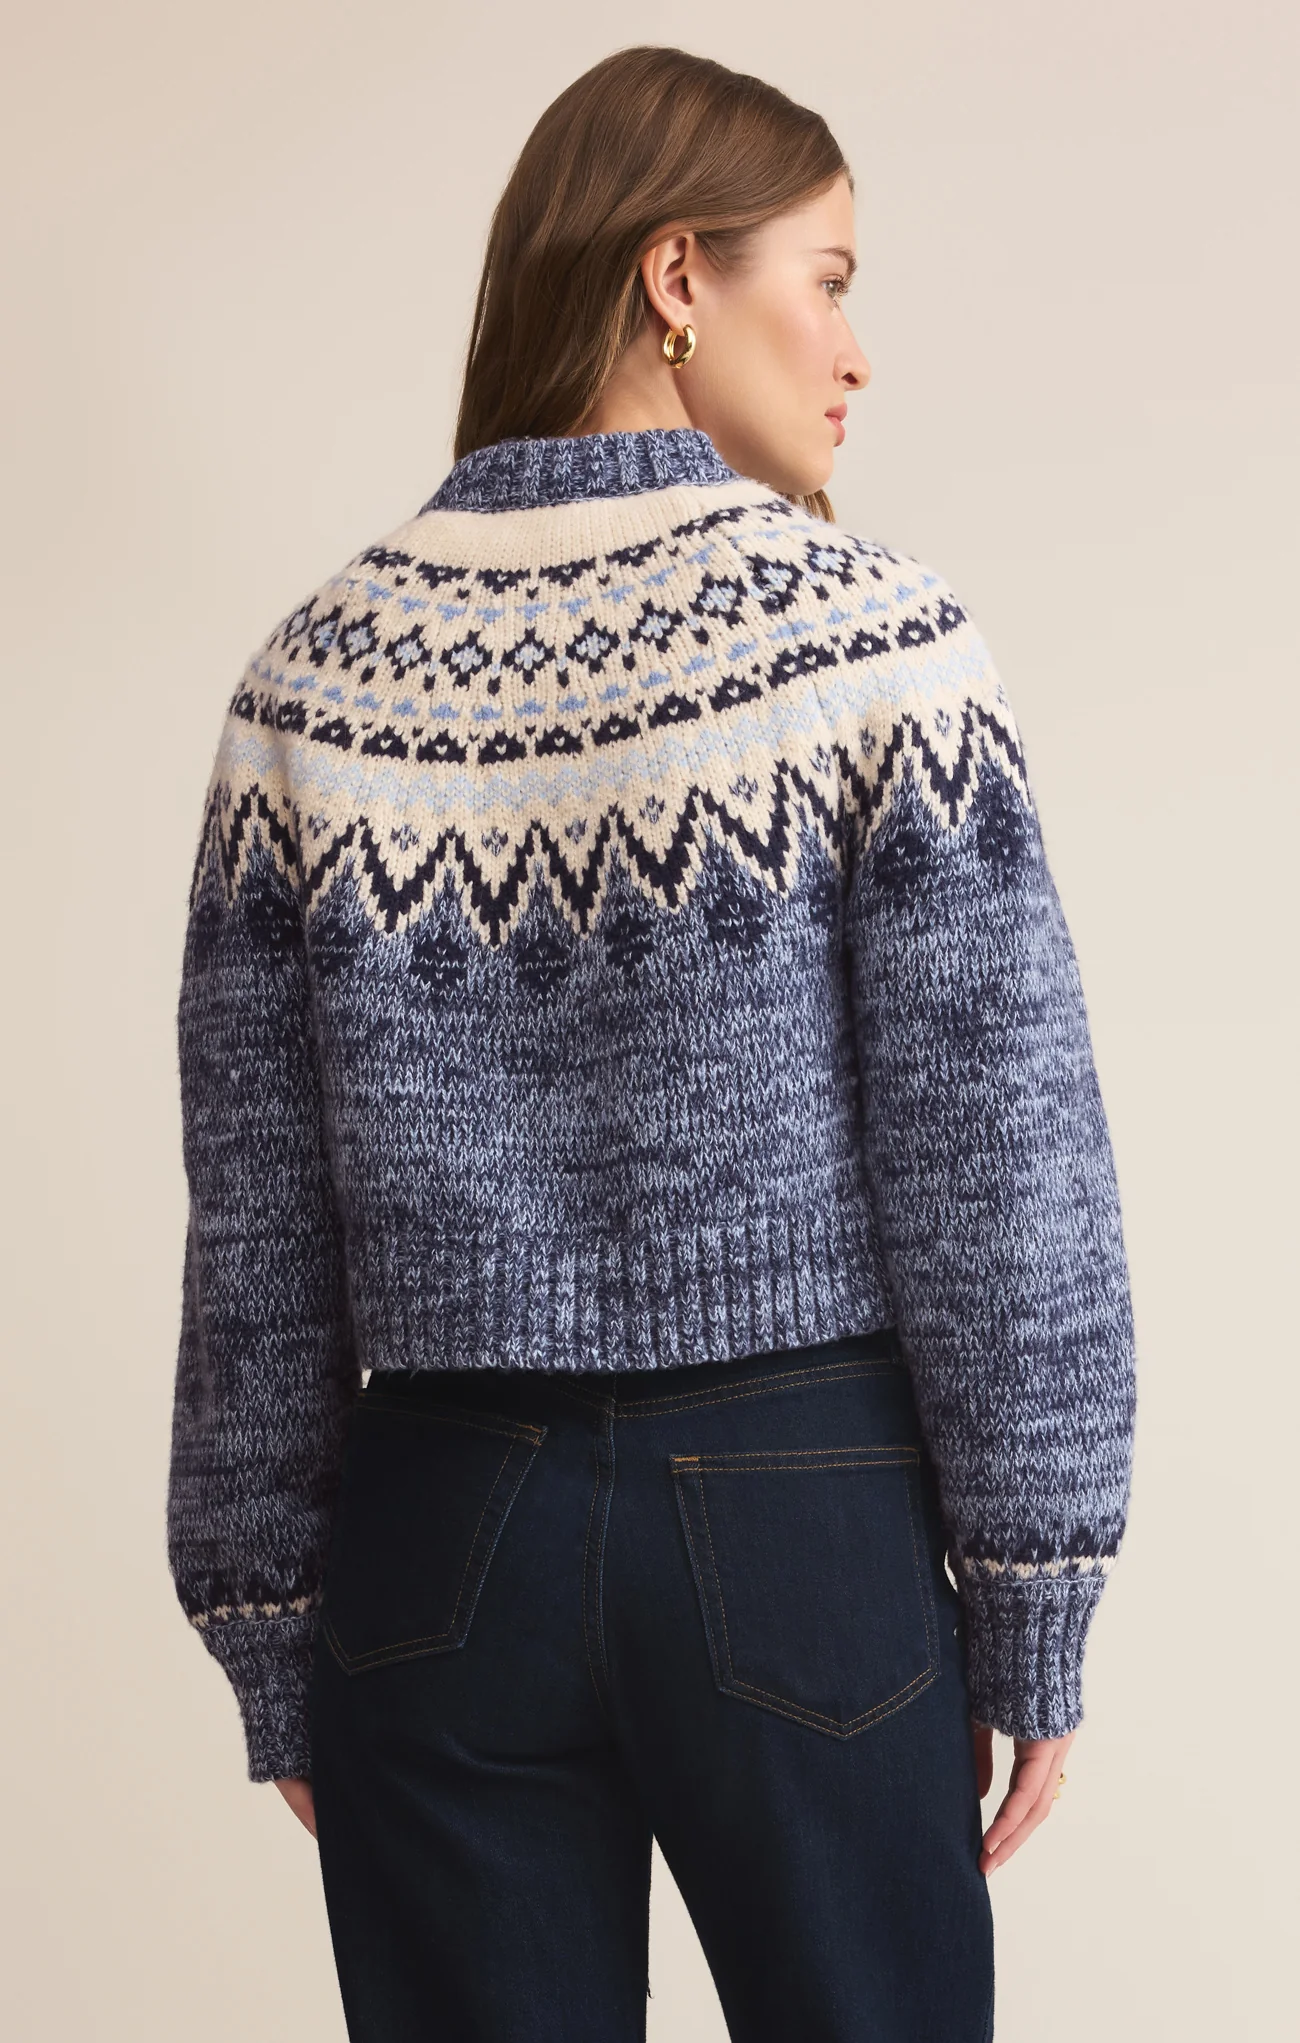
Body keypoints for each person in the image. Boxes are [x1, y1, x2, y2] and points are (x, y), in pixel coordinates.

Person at [166, 44, 1136, 2043]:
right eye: (828, 277)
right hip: (799, 1514)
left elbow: (256, 1225)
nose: (854, 351)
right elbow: (999, 1159)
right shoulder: (870, 644)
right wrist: (1034, 1585)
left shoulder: (307, 685)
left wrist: (273, 1617)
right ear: (676, 274)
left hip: (439, 1540)